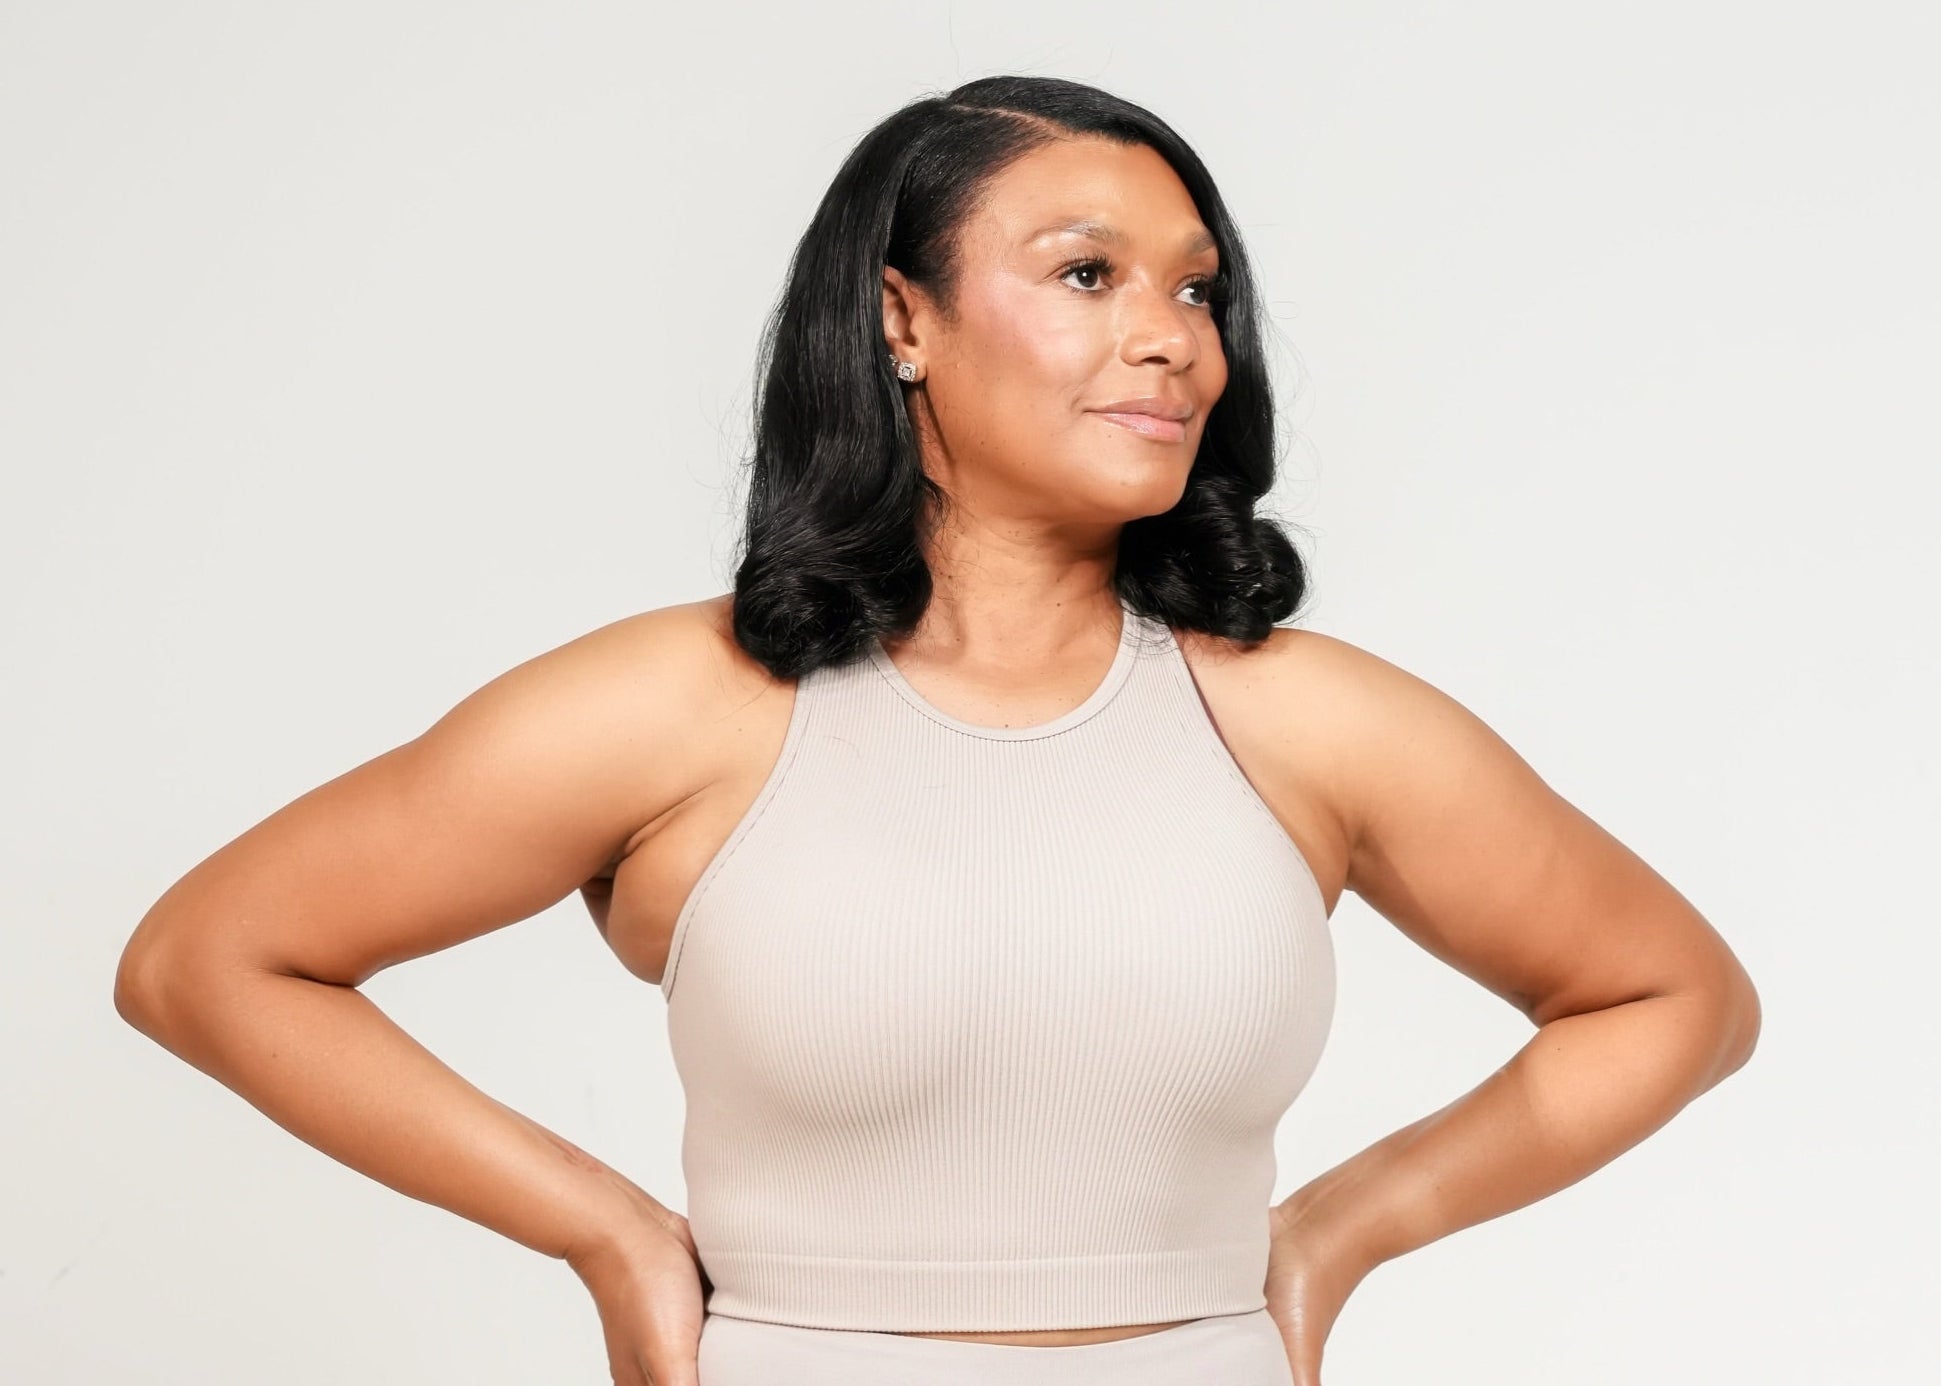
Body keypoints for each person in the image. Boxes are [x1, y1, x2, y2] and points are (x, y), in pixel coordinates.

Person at [112, 74, 1761, 1386]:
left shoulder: (1306, 718)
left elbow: (1672, 995)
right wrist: (605, 1234)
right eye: (1087, 274)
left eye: (1197, 289)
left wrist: (1340, 1231)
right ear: (901, 320)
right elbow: (212, 956)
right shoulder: (680, 703)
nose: (1170, 335)